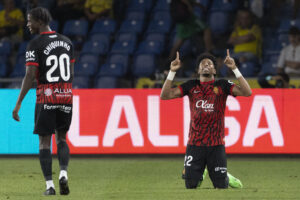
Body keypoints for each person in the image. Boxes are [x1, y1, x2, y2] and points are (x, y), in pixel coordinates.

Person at [160, 50, 252, 189]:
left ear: (214, 70)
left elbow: (247, 92)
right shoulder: (191, 85)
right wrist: (172, 72)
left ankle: (225, 176)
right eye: (203, 64)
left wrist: (234, 68)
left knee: (221, 186)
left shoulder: (223, 85)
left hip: (216, 144)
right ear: (198, 70)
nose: (206, 65)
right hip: (195, 143)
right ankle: (202, 172)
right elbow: (165, 95)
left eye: (210, 64)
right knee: (190, 185)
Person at [12, 7, 75, 195]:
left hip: (46, 95)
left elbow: (30, 75)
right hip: (65, 94)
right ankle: (63, 172)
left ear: (40, 21)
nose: (27, 24)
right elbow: (71, 73)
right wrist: (64, 90)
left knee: (44, 143)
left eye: (30, 21)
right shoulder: (67, 41)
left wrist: (18, 103)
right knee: (62, 138)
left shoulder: (35, 44)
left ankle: (50, 186)